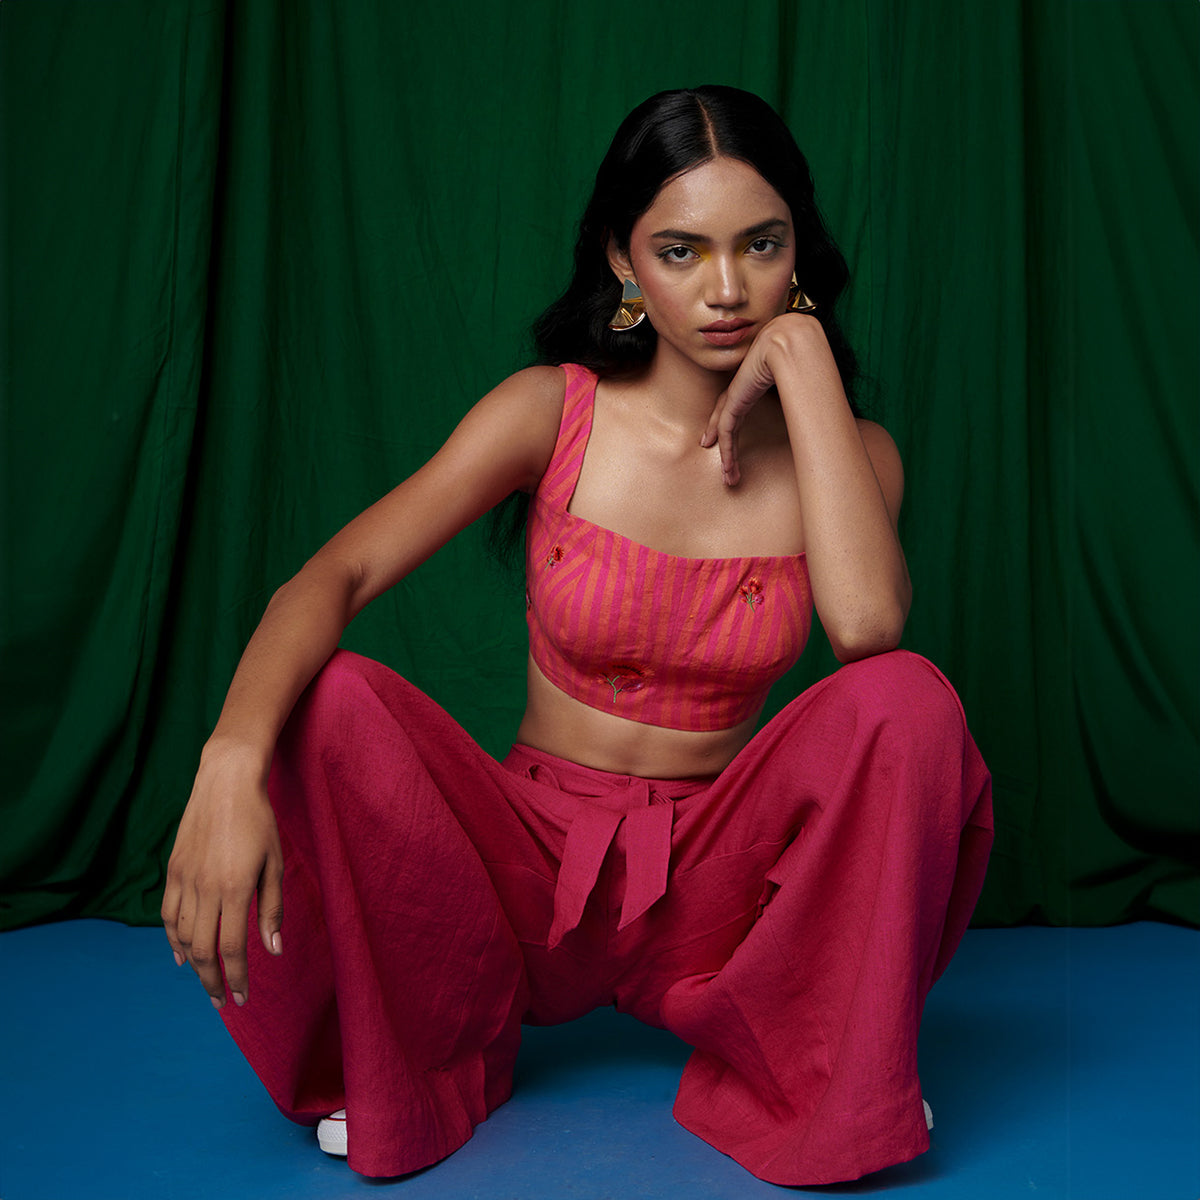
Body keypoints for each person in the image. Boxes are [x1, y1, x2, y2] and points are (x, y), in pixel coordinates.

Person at [161, 85, 992, 1187]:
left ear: (800, 250)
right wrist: (229, 757)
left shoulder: (853, 454)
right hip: (522, 884)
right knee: (331, 696)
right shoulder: (551, 411)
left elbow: (868, 628)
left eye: (761, 245)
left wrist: (800, 360)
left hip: (721, 904)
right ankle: (423, 1056)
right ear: (621, 259)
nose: (727, 289)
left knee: (910, 698)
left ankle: (828, 1066)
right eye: (681, 251)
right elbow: (337, 573)